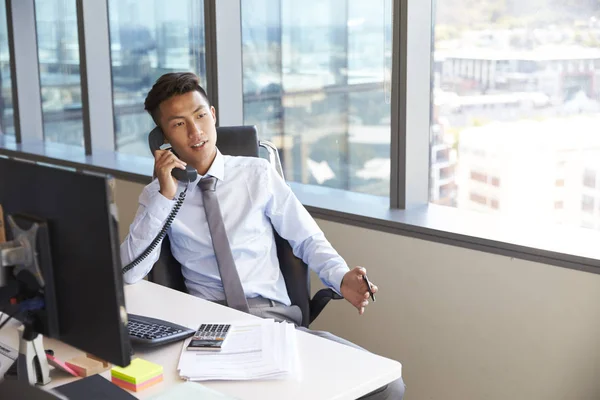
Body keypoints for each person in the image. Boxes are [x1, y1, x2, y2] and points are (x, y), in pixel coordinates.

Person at [121, 72, 405, 399]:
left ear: (212, 115)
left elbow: (307, 238)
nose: (196, 131)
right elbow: (130, 273)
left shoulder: (257, 174)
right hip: (209, 333)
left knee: (388, 387)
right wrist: (165, 196)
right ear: (163, 138)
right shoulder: (160, 197)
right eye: (179, 124)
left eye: (200, 116)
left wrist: (342, 278)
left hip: (274, 325)